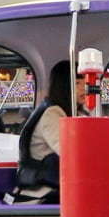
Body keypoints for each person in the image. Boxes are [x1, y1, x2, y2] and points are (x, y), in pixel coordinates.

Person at [7, 63, 73, 204]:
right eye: (78, 83)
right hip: (41, 191)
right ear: (67, 86)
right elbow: (68, 151)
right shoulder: (52, 113)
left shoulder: (51, 109)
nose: (84, 89)